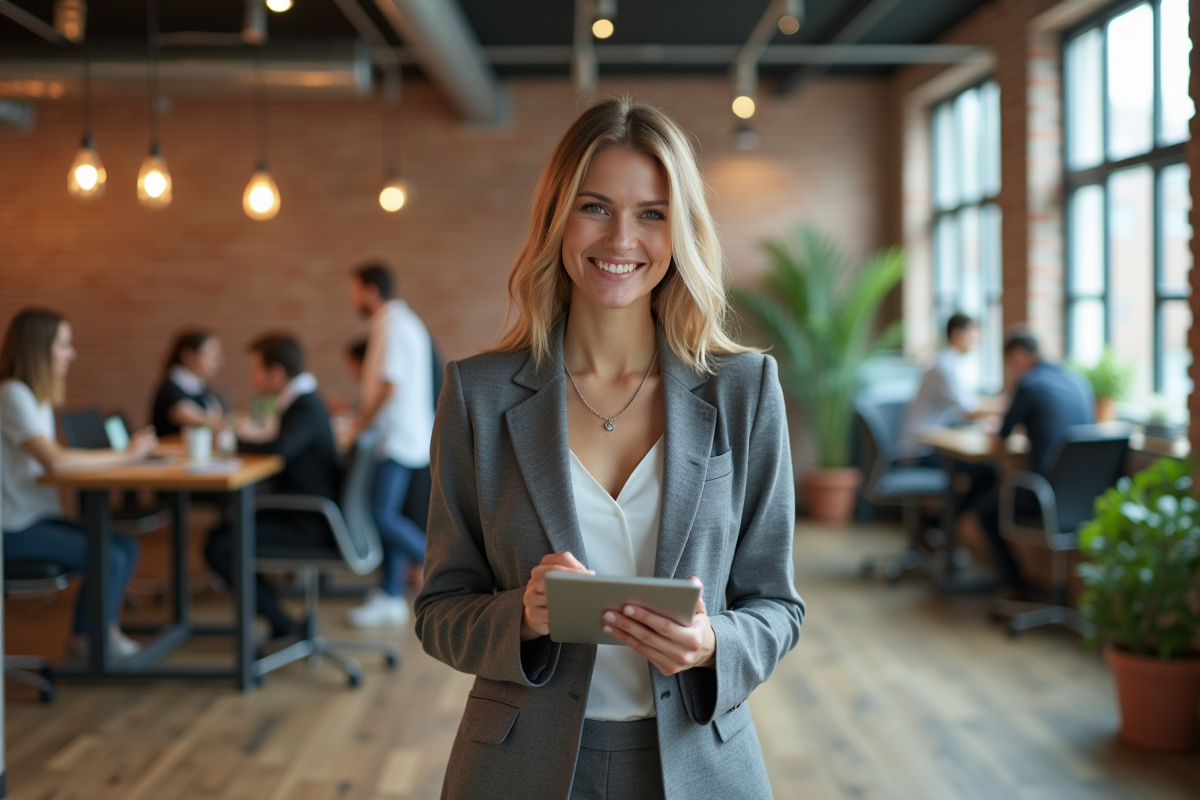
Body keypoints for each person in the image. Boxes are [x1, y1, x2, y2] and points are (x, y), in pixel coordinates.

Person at [414, 98, 805, 800]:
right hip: (519, 767)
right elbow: (440, 610)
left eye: (652, 213)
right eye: (595, 207)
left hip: (699, 766)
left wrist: (714, 644)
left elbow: (777, 605)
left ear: (680, 230)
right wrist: (523, 617)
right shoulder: (478, 394)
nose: (621, 237)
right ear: (556, 219)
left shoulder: (743, 389)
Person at [0, 308, 158, 659]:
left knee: (125, 547)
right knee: (110, 556)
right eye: (64, 345)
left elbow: (55, 457)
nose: (71, 354)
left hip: (36, 517)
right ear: (39, 349)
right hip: (12, 528)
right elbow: (54, 459)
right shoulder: (12, 395)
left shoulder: (34, 397)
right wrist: (126, 456)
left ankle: (93, 636)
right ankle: (95, 642)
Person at [203, 333, 341, 640]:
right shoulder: (305, 401)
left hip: (310, 522)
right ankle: (282, 621)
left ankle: (284, 623)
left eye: (256, 370)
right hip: (308, 515)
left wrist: (233, 442)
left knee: (220, 546)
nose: (253, 378)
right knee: (221, 535)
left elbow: (280, 448)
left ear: (276, 373)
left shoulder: (304, 406)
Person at [345, 264, 434, 627]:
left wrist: (360, 421)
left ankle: (441, 567)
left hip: (397, 438)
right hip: (407, 435)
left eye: (354, 290)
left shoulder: (393, 325)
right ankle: (390, 595)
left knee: (380, 515)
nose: (352, 299)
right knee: (390, 514)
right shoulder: (402, 322)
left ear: (369, 290)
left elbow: (389, 385)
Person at [973, 329, 1094, 591]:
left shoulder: (1029, 385)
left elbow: (1001, 436)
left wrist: (996, 428)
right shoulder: (1078, 380)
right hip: (1085, 499)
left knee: (985, 511)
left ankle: (1016, 584)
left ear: (1018, 356)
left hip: (1045, 497)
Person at [899, 312, 997, 527]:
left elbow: (965, 407)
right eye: (973, 335)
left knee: (984, 471)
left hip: (931, 443)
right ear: (957, 334)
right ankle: (938, 528)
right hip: (920, 449)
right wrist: (1006, 406)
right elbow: (969, 408)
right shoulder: (943, 367)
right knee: (986, 472)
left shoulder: (949, 364)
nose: (977, 341)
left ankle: (936, 528)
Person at [150, 330, 226, 437]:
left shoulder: (199, 385)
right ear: (188, 356)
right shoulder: (171, 388)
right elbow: (192, 417)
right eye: (210, 356)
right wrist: (231, 424)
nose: (218, 361)